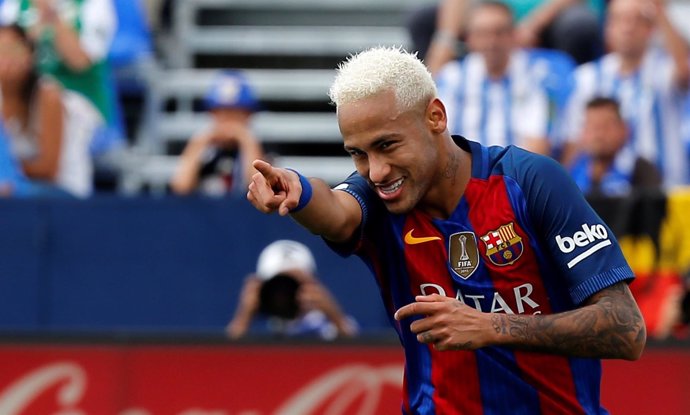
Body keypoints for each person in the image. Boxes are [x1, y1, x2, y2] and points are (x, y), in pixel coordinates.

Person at [247, 46, 645, 413]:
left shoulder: (529, 181)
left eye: (387, 145)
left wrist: (492, 327)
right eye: (358, 153)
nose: (377, 170)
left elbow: (626, 328)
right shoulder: (379, 199)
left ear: (435, 117)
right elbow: (335, 210)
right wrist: (297, 191)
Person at [564, 0, 689, 187]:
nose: (628, 28)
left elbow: (684, 71)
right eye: (620, 19)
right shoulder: (586, 77)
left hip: (666, 191)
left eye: (637, 20)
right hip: (607, 197)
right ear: (607, 28)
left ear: (650, 29)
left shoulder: (664, 70)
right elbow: (575, 139)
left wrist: (660, 14)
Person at [435, 1, 555, 155]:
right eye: (483, 34)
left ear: (513, 35)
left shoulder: (535, 76)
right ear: (469, 39)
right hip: (463, 173)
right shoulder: (452, 78)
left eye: (499, 33)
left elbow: (538, 143)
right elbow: (440, 139)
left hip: (515, 175)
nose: (492, 42)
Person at [0, 0, 119, 153]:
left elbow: (79, 61)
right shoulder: (15, 4)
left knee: (50, 99)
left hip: (79, 100)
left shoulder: (93, 4)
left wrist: (51, 17)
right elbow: (9, 53)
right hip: (24, 99)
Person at [0, 24, 100, 197]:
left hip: (63, 193)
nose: (8, 59)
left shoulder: (48, 96)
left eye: (14, 50)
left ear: (30, 55)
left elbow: (48, 169)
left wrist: (8, 170)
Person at [408, 0, 603, 75]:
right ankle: (432, 88)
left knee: (578, 26)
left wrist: (532, 25)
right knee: (423, 19)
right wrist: (445, 39)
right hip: (492, 12)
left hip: (554, 16)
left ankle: (577, 92)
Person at [226, 240, 359, 340]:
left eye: (295, 283)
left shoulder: (324, 327)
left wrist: (333, 314)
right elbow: (225, 362)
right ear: (263, 287)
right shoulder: (258, 323)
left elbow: (357, 356)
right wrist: (244, 316)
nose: (286, 293)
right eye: (279, 284)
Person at [170, 70, 264, 196]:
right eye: (222, 113)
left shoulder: (260, 148)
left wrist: (246, 140)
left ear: (248, 115)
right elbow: (181, 187)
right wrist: (199, 142)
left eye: (235, 113)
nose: (228, 121)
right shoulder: (205, 151)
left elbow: (261, 190)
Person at [569, 97, 662, 197]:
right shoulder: (571, 171)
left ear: (624, 130)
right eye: (592, 127)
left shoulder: (641, 170)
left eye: (605, 127)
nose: (598, 135)